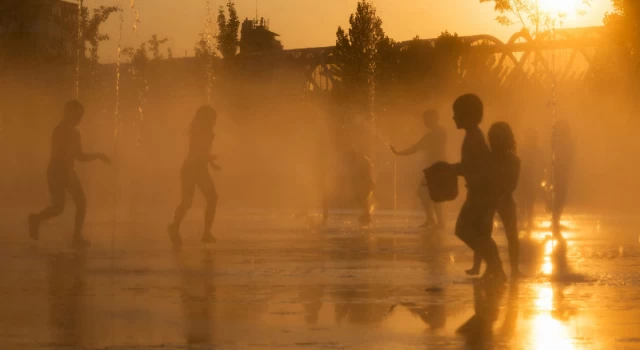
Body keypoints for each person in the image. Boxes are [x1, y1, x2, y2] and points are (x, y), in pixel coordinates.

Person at [28, 100, 111, 249]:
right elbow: (64, 154)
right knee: (69, 205)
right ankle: (71, 235)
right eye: (78, 115)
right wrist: (97, 156)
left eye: (81, 116)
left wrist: (99, 156)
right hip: (59, 171)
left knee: (69, 205)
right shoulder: (61, 131)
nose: (80, 119)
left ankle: (40, 221)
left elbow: (79, 156)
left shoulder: (73, 132)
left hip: (62, 171)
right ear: (69, 113)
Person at [451, 94, 505, 282]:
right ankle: (495, 268)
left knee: (465, 231)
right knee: (480, 233)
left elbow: (472, 167)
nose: (453, 118)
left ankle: (496, 267)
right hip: (481, 192)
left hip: (481, 193)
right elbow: (471, 166)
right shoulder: (473, 135)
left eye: (456, 113)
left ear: (468, 115)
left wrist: (449, 169)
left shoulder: (473, 137)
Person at [466, 122, 522, 278]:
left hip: (503, 198)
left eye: (499, 138)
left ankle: (515, 269)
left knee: (511, 235)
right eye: (493, 138)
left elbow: (512, 185)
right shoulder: (487, 158)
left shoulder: (513, 160)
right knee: (483, 233)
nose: (495, 142)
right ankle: (478, 266)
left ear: (506, 140)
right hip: (489, 198)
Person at [168, 105, 220, 248]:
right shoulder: (205, 131)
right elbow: (199, 151)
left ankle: (175, 226)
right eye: (213, 118)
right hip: (196, 169)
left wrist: (211, 162)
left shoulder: (198, 131)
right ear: (208, 118)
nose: (215, 121)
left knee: (187, 201)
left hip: (190, 168)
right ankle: (206, 233)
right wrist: (209, 159)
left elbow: (198, 151)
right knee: (212, 198)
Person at [390, 109, 447, 228]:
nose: (424, 121)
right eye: (424, 119)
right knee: (429, 193)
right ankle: (435, 220)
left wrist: (398, 153)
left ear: (434, 119)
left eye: (426, 119)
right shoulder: (435, 133)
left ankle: (436, 220)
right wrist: (399, 153)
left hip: (437, 167)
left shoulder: (436, 133)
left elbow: (417, 148)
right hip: (436, 167)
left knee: (424, 193)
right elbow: (417, 147)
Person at [551, 119, 573, 239]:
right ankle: (555, 222)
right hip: (559, 174)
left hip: (561, 174)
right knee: (559, 198)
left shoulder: (563, 142)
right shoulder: (560, 143)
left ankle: (555, 221)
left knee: (559, 198)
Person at [346, 150, 374, 226]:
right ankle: (366, 215)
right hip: (364, 183)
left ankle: (366, 215)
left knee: (362, 198)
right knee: (361, 198)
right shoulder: (363, 160)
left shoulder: (363, 161)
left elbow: (365, 173)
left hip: (365, 183)